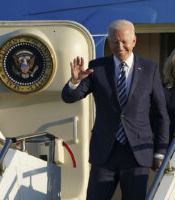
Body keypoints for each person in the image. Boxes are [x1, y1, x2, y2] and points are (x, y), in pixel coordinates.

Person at [61, 19, 169, 200]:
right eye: (114, 42)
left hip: (137, 154)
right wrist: (74, 81)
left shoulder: (150, 69)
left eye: (124, 41)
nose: (119, 46)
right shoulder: (97, 67)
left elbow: (161, 115)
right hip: (105, 153)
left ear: (134, 41)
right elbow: (70, 97)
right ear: (108, 42)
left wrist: (160, 152)